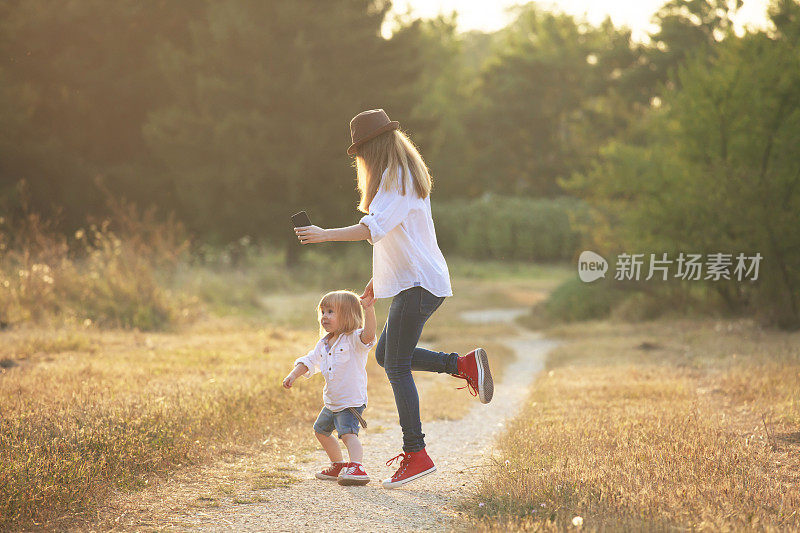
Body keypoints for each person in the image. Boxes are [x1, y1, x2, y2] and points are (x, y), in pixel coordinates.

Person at [293, 109, 493, 489]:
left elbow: (374, 228)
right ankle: (462, 365)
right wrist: (378, 279)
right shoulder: (397, 177)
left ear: (374, 148)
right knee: (387, 355)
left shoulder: (397, 178)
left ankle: (416, 453)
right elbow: (401, 238)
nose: (362, 161)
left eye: (362, 152)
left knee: (395, 363)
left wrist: (323, 234)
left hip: (419, 284)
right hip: (415, 281)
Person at [282, 290, 377, 486]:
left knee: (348, 434)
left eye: (331, 311)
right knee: (320, 431)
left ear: (348, 315)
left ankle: (357, 467)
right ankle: (338, 465)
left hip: (350, 401)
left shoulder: (354, 339)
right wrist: (293, 374)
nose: (325, 316)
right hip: (332, 401)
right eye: (323, 311)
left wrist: (369, 310)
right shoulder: (324, 343)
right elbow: (310, 360)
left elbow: (369, 335)